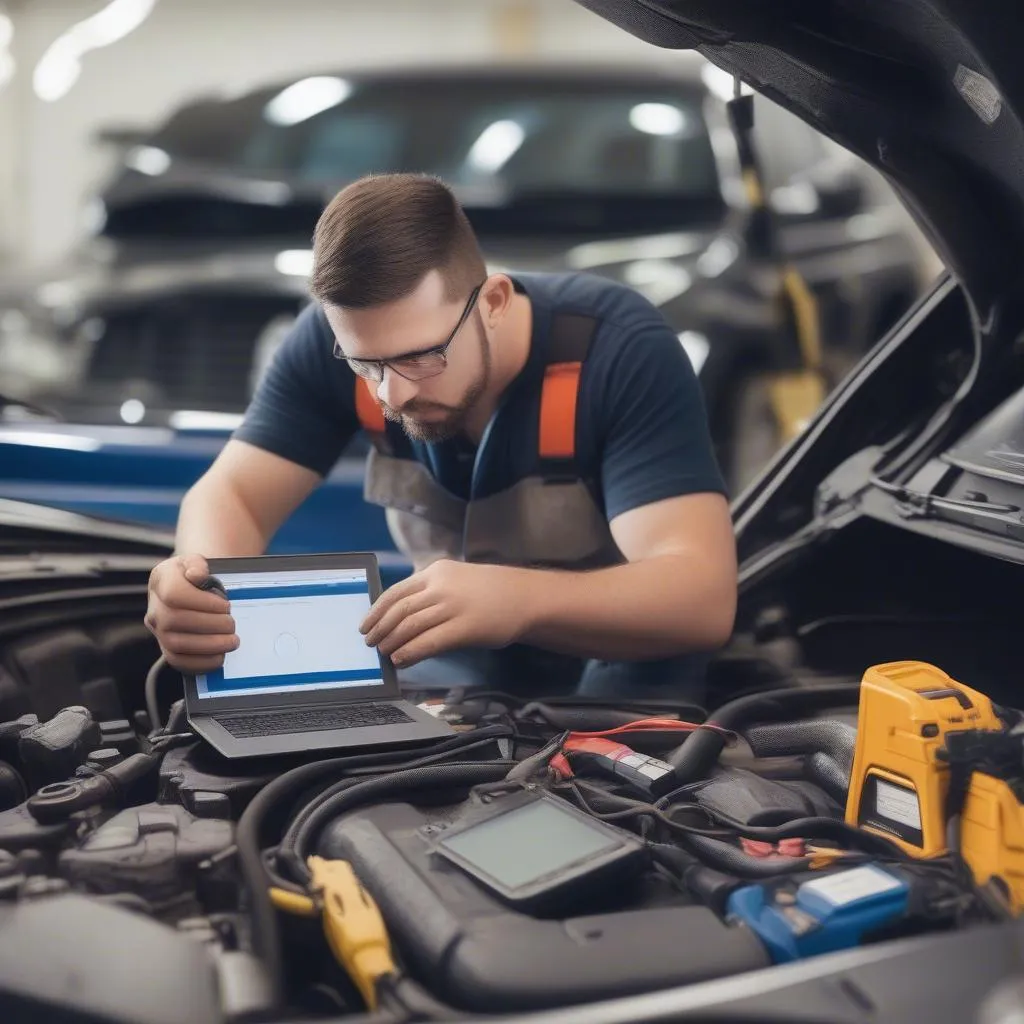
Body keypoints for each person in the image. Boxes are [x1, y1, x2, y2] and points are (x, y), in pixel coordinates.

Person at [144, 172, 736, 703]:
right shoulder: (347, 347)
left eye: (420, 358)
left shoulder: (617, 350)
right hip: (462, 659)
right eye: (365, 365)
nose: (390, 396)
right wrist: (199, 584)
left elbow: (700, 598)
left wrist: (519, 600)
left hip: (625, 665)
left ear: (494, 302)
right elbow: (234, 495)